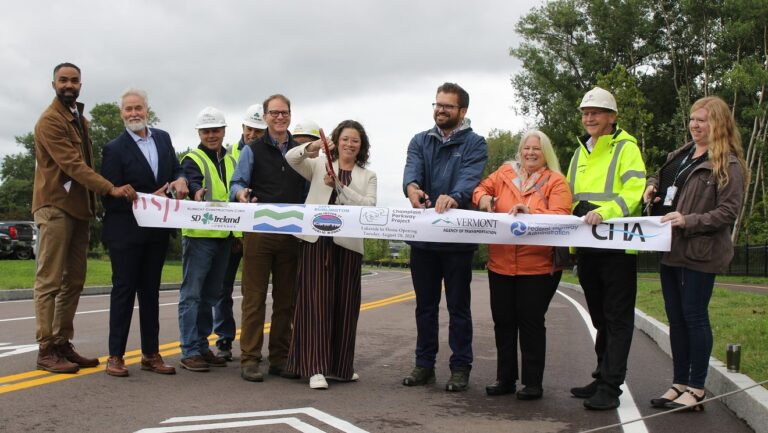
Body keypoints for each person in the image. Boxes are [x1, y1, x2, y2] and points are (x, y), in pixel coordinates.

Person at [32, 62, 137, 374]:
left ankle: (63, 342)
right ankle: (46, 347)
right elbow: (73, 165)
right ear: (53, 84)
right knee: (49, 281)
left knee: (74, 281)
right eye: (63, 80)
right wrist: (110, 189)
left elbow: (86, 163)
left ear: (81, 84)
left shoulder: (79, 119)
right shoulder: (50, 121)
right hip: (54, 207)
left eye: (74, 80)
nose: (69, 85)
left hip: (78, 209)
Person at [644, 96, 747, 411]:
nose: (694, 125)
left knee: (694, 316)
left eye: (702, 120)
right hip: (670, 248)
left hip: (701, 252)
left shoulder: (728, 164)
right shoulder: (682, 154)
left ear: (719, 123)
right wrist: (650, 187)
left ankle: (697, 388)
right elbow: (661, 178)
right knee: (676, 318)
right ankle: (678, 383)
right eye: (692, 119)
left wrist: (688, 220)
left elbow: (728, 212)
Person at [472, 130, 572, 400]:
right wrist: (482, 198)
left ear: (545, 153)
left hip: (537, 266)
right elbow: (480, 188)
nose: (530, 153)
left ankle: (532, 383)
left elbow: (562, 215)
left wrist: (532, 214)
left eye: (536, 149)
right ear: (520, 151)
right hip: (500, 263)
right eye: (526, 148)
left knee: (530, 323)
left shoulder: (556, 181)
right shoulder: (504, 173)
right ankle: (505, 378)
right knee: (503, 322)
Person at [401, 82, 488, 392]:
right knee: (424, 306)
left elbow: (469, 177)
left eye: (447, 106)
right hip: (422, 238)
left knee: (458, 307)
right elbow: (411, 172)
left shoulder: (475, 143)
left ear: (461, 111)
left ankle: (460, 367)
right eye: (437, 104)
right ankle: (424, 365)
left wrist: (454, 196)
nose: (440, 110)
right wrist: (412, 189)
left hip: (457, 239)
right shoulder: (419, 140)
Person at [566, 87, 646, 410]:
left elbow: (634, 190)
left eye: (596, 112)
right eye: (585, 113)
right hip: (587, 247)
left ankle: (611, 388)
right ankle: (602, 375)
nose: (589, 118)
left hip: (617, 247)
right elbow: (569, 194)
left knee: (616, 318)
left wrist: (605, 213)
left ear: (611, 117)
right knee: (599, 316)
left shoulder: (626, 148)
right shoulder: (579, 152)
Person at [101, 88, 188, 377]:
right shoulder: (113, 149)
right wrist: (143, 197)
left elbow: (176, 170)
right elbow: (108, 195)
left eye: (138, 108)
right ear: (121, 114)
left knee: (151, 293)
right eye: (128, 109)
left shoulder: (163, 138)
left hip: (157, 232)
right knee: (124, 292)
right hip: (125, 232)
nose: (134, 113)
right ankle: (115, 356)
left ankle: (151, 354)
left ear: (147, 110)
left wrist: (179, 180)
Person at [284, 120, 377, 389]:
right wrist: (312, 146)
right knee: (316, 304)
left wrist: (339, 186)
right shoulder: (318, 164)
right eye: (345, 139)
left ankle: (341, 367)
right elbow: (291, 157)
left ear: (362, 146)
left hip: (348, 246)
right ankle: (315, 368)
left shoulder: (367, 176)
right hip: (316, 243)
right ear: (336, 141)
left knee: (346, 306)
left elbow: (369, 206)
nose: (350, 144)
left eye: (355, 140)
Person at [230, 94, 306, 382]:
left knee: (286, 300)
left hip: (291, 234)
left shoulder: (300, 152)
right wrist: (240, 193)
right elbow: (237, 182)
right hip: (259, 233)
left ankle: (280, 358)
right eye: (274, 113)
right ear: (265, 117)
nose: (279, 117)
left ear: (290, 115)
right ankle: (249, 359)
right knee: (254, 299)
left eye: (284, 112)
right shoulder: (252, 150)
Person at [177, 107, 237, 372]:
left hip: (224, 236)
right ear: (199, 133)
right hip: (200, 236)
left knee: (211, 295)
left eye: (216, 130)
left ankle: (202, 345)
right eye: (206, 131)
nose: (211, 135)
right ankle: (190, 349)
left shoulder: (233, 160)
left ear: (224, 131)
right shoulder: (193, 158)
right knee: (192, 295)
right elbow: (191, 181)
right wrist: (196, 192)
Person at [213, 104, 267, 361]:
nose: (253, 135)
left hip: (257, 233)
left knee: (253, 292)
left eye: (258, 131)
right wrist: (234, 233)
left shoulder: (267, 153)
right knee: (222, 289)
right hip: (229, 232)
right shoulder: (228, 154)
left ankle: (253, 345)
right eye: (250, 129)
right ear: (242, 128)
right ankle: (224, 340)